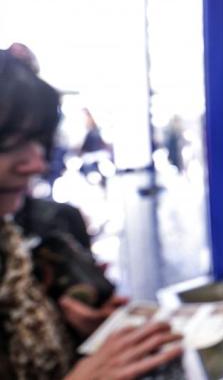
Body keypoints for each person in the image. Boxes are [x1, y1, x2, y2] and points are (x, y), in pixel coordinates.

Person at [0, 50, 182, 379]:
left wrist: (71, 330)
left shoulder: (9, 243)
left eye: (37, 142)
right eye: (9, 144)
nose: (36, 164)